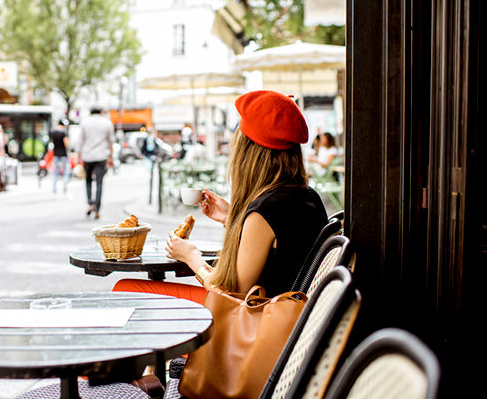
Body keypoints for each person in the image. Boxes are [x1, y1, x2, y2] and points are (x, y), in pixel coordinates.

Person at [114, 90, 328, 302]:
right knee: (128, 288)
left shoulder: (265, 212)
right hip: (286, 315)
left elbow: (229, 294)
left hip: (256, 321)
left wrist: (191, 256)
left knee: (126, 289)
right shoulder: (308, 197)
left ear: (249, 153)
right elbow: (281, 256)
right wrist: (231, 218)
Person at [78, 106, 114, 219]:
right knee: (99, 182)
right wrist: (110, 157)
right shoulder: (107, 123)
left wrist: (79, 156)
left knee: (88, 180)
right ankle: (97, 209)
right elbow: (111, 141)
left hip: (87, 156)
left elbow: (80, 141)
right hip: (101, 156)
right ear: (101, 112)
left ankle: (90, 203)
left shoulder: (84, 122)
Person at [50, 119, 71, 194]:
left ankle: (54, 188)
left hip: (55, 154)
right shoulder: (64, 132)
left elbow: (51, 142)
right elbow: (67, 144)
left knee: (55, 171)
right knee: (65, 171)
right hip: (63, 154)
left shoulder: (53, 131)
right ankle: (65, 187)